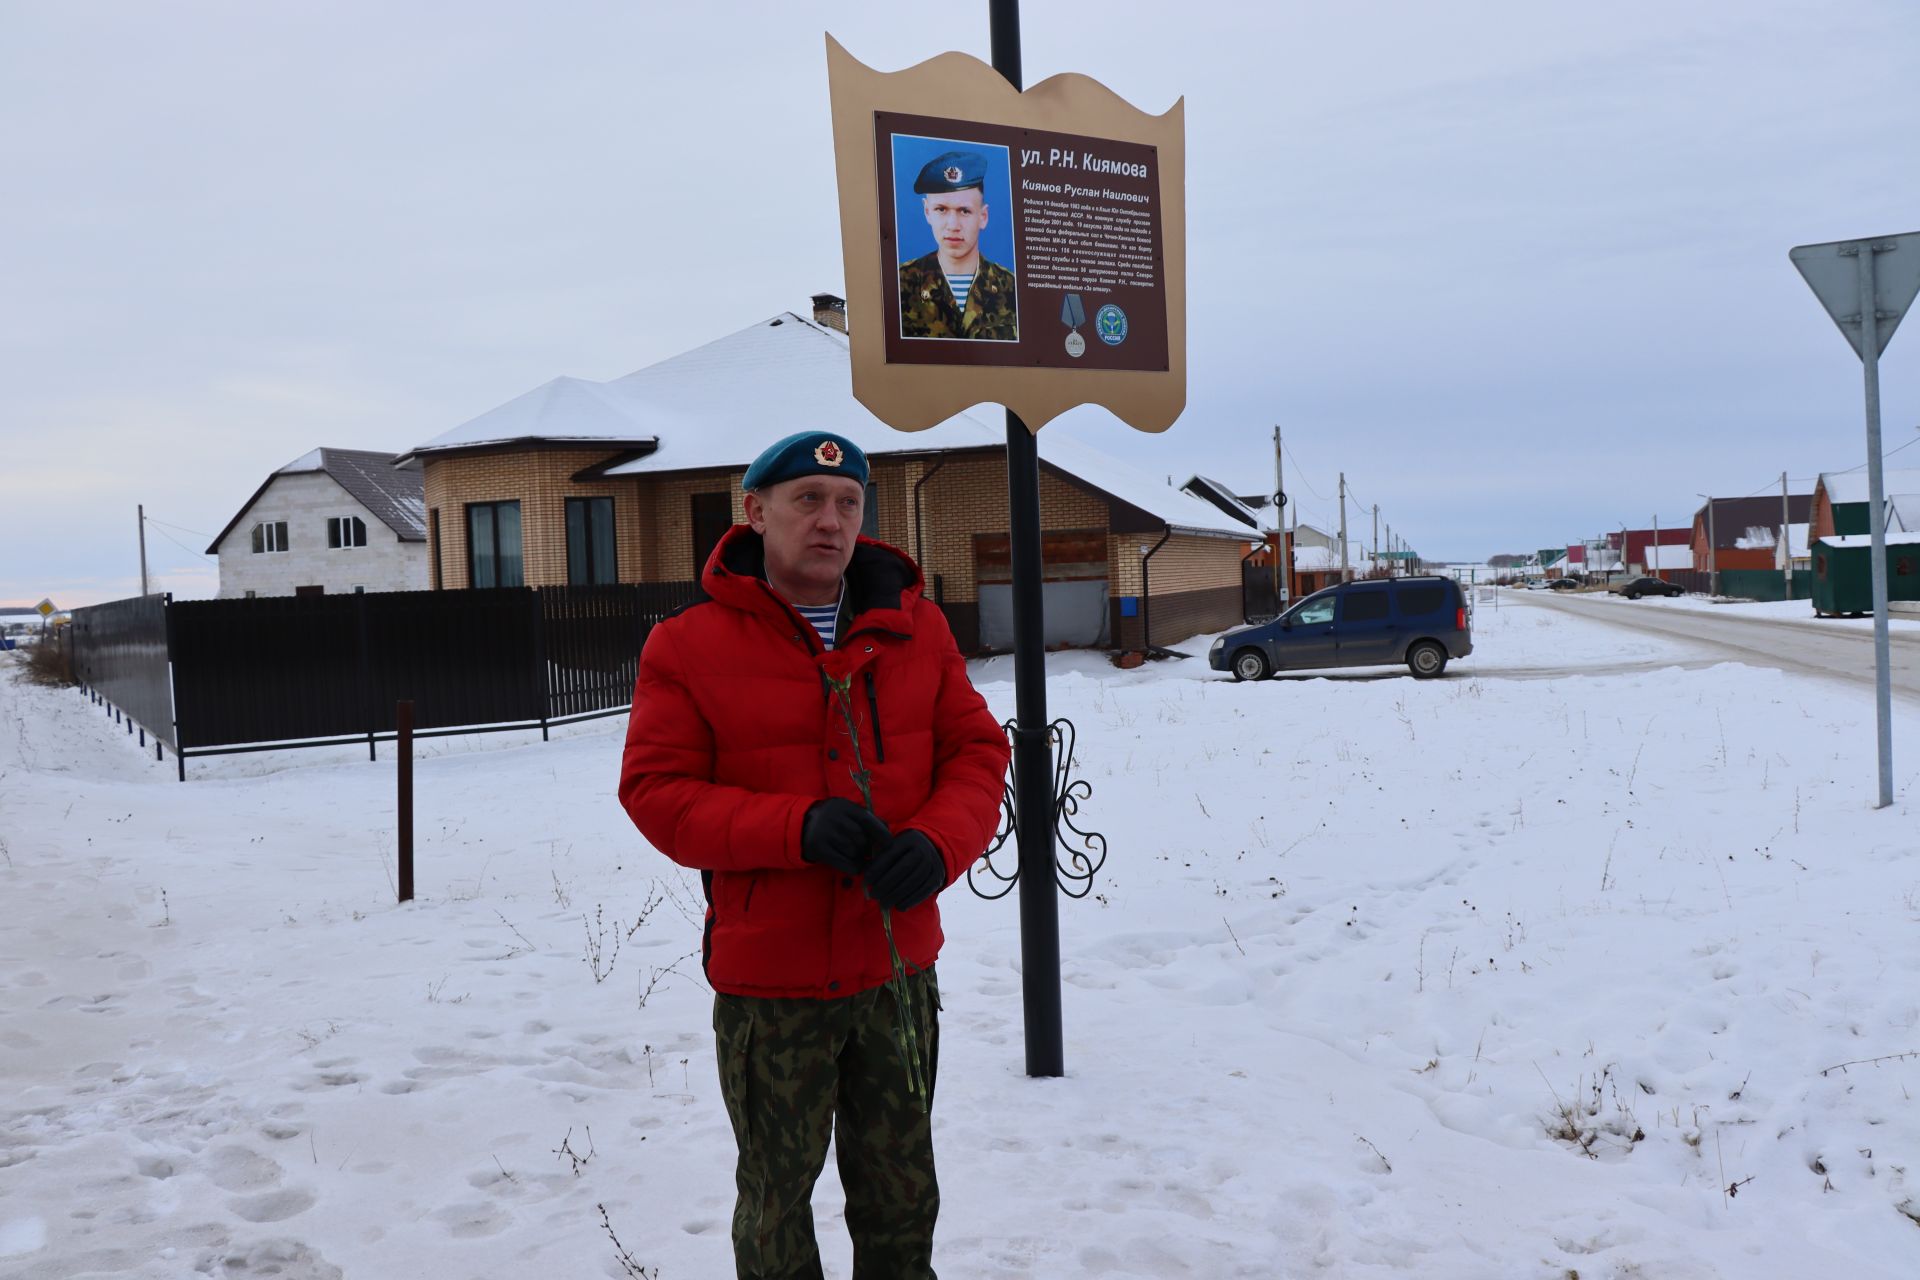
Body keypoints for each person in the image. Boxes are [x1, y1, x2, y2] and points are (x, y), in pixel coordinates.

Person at [618, 430, 1011, 1279]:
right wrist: (794, 828)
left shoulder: (918, 626)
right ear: (756, 514)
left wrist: (939, 845)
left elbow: (978, 754)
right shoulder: (687, 646)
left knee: (902, 1197)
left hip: (895, 972)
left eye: (847, 503)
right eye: (807, 501)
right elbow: (656, 791)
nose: (829, 521)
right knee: (775, 1203)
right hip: (775, 991)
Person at [898, 149, 1019, 341]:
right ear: (927, 212)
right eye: (941, 209)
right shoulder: (899, 285)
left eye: (964, 211)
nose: (953, 225)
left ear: (983, 217)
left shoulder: (1012, 289)